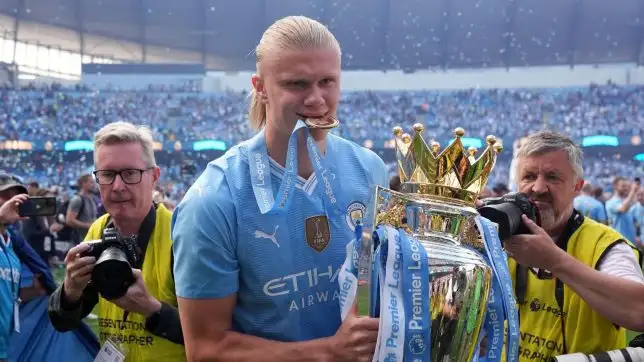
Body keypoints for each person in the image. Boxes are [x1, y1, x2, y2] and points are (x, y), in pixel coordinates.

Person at [171, 15, 388, 362]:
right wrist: (328, 352)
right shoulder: (212, 202)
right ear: (260, 87)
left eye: (327, 81)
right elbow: (205, 348)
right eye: (297, 84)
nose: (317, 99)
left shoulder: (370, 170)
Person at [501, 131, 644, 361]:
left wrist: (554, 261)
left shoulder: (606, 245)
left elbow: (639, 311)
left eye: (553, 177)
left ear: (577, 186)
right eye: (529, 176)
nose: (538, 188)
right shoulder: (500, 237)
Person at [48, 122, 185, 361]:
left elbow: (210, 333)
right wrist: (70, 291)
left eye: (130, 173)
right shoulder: (98, 230)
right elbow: (62, 322)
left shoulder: (180, 235)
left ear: (154, 177)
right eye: (107, 175)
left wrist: (151, 308)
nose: (118, 186)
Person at [605, 176, 640, 243]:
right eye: (623, 186)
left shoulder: (626, 200)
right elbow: (623, 209)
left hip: (631, 241)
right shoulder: (611, 202)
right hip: (618, 241)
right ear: (615, 186)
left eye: (627, 186)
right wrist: (633, 191)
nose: (626, 188)